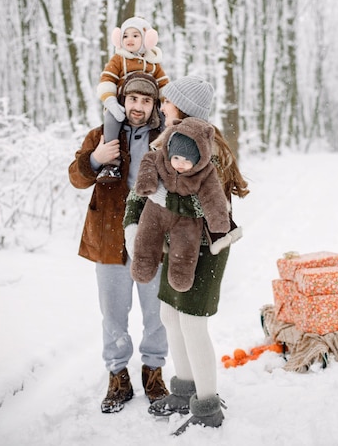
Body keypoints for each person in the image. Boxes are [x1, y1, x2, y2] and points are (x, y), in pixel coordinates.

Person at [123, 76, 249, 435]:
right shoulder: (168, 140)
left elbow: (212, 205)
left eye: (167, 101)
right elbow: (142, 190)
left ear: (183, 107)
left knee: (193, 323)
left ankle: (207, 406)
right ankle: (185, 389)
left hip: (206, 249)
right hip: (174, 246)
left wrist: (163, 199)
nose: (161, 106)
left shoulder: (212, 148)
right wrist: (133, 223)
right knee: (168, 314)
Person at [68, 72, 169, 414]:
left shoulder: (165, 136)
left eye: (146, 100)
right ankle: (118, 378)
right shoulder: (102, 134)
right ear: (122, 100)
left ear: (154, 105)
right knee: (113, 313)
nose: (138, 107)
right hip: (110, 237)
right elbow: (76, 176)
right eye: (133, 99)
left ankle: (154, 373)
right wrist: (95, 158)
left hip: (153, 238)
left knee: (157, 313)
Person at [131, 117, 231, 293]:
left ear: (199, 158)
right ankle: (143, 264)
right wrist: (147, 182)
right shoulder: (161, 158)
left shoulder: (206, 172)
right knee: (146, 238)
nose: (180, 164)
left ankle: (181, 274)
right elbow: (148, 161)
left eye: (187, 160)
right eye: (176, 157)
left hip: (186, 220)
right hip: (155, 212)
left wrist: (218, 220)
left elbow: (213, 196)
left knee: (184, 249)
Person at [96, 16, 168, 183]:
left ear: (146, 39)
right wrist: (110, 101)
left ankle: (164, 155)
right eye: (125, 35)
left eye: (135, 35)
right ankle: (111, 163)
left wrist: (167, 102)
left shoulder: (153, 63)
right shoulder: (119, 59)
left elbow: (164, 84)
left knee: (164, 120)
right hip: (119, 105)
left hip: (152, 112)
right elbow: (107, 80)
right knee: (111, 118)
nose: (129, 39)